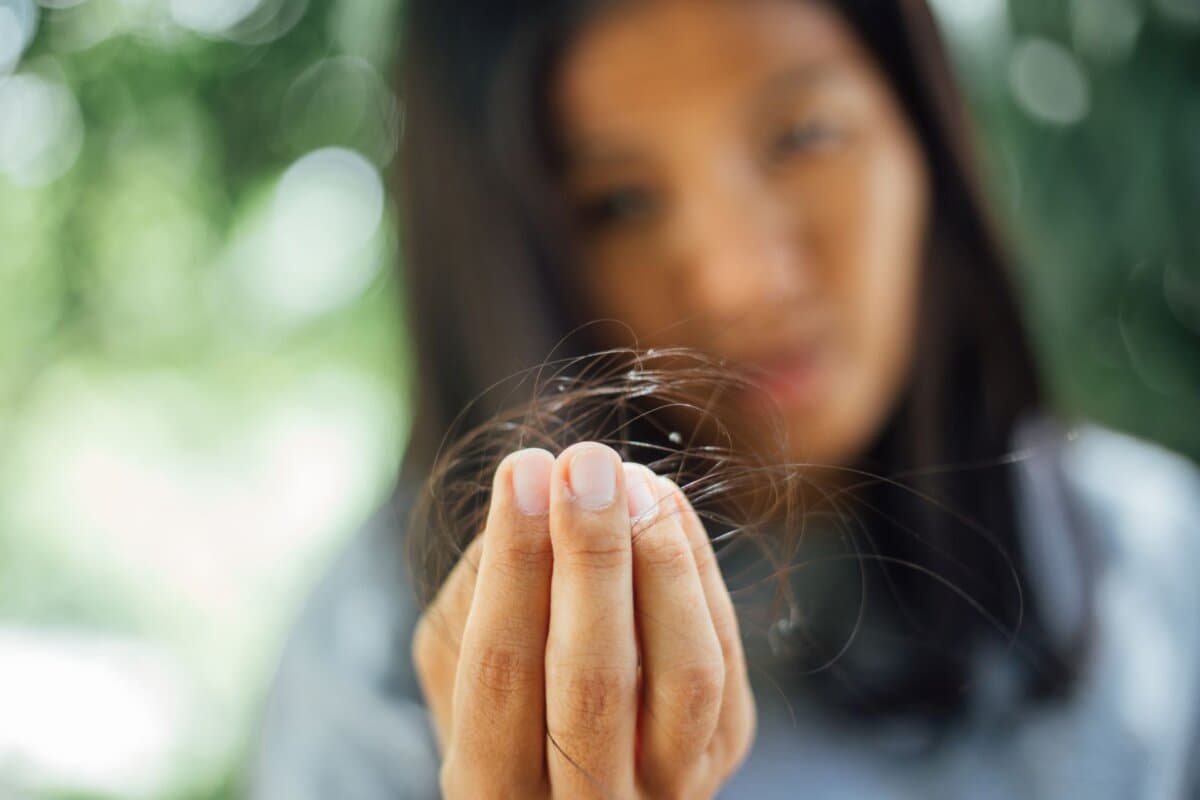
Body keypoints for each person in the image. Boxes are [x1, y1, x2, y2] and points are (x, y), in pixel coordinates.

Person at [250, 1, 1200, 797]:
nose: (744, 279)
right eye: (617, 204)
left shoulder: (1154, 561)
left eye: (803, 136)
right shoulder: (377, 657)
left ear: (927, 142)